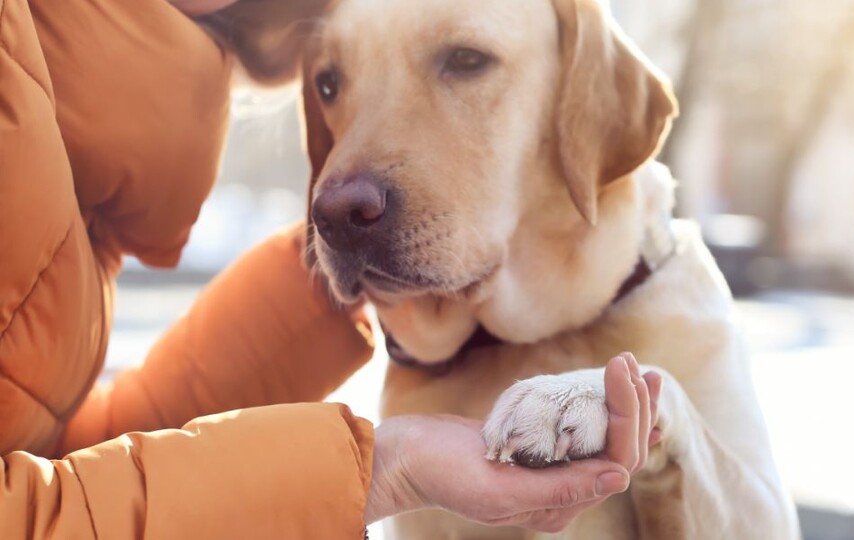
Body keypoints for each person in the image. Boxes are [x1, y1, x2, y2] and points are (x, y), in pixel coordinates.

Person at [0, 0, 661, 537]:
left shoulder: (92, 157)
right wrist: (379, 473)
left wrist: (307, 296)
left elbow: (57, 465)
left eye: (464, 61)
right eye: (331, 85)